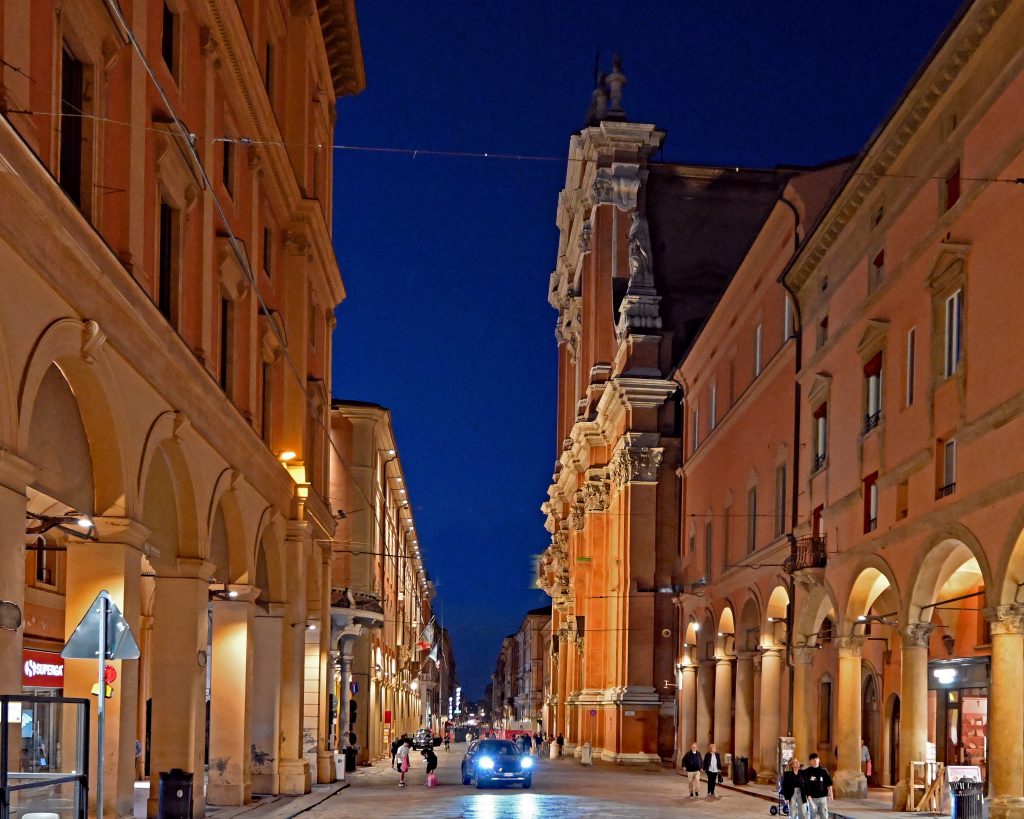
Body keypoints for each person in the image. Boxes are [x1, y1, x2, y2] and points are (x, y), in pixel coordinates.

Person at [802, 752, 834, 818]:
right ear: (810, 761)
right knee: (812, 815)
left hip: (822, 797)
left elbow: (829, 783)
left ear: (819, 760)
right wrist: (807, 795)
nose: (815, 760)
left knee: (824, 814)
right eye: (813, 759)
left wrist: (831, 793)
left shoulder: (823, 771)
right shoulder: (807, 772)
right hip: (812, 798)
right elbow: (805, 785)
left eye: (816, 759)